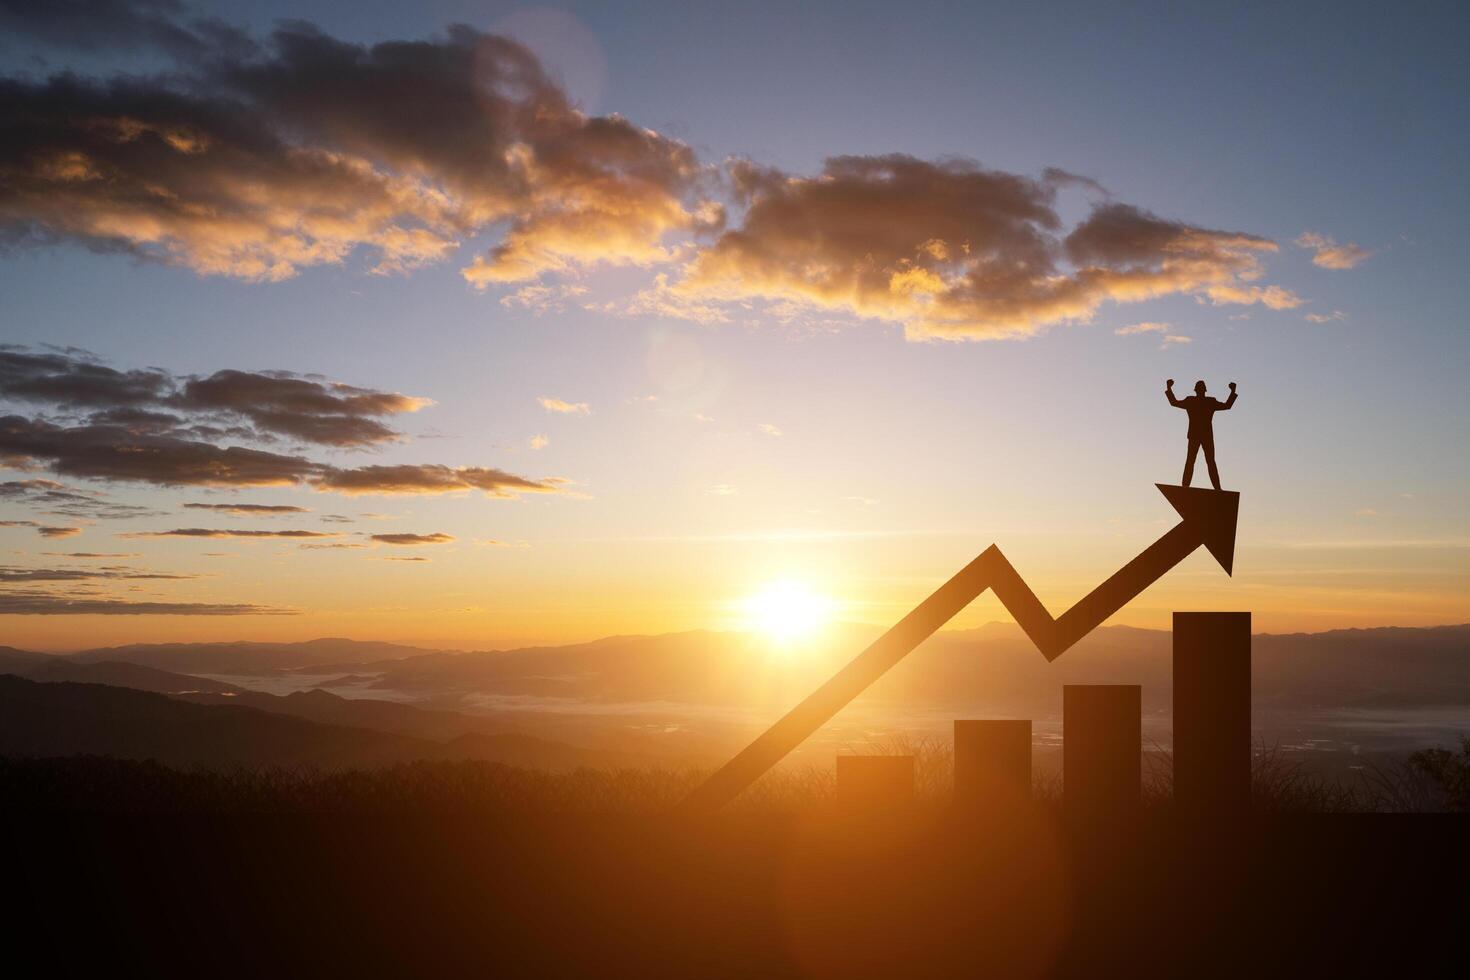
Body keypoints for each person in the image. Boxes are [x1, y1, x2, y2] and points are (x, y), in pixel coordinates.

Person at [1166, 379, 1237, 490]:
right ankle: (1186, 487)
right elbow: (1174, 403)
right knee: (1194, 461)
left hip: (1204, 436)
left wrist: (1233, 391)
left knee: (1206, 462)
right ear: (1203, 390)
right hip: (1198, 436)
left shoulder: (1206, 401)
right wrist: (1169, 388)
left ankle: (1216, 489)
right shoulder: (1198, 401)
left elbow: (1227, 405)